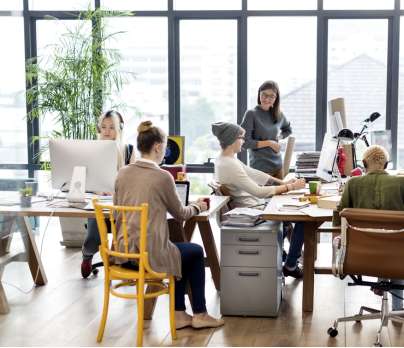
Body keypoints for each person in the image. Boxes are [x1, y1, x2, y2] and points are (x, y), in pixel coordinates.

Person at [111, 120, 224, 330]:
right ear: (157, 148)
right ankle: (200, 313)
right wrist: (197, 207)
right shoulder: (162, 176)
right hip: (149, 256)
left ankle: (180, 314)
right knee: (195, 251)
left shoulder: (122, 173)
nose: (164, 152)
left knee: (176, 249)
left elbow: (117, 211)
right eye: (164, 148)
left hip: (123, 253)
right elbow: (181, 214)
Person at [212, 122, 307, 278]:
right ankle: (290, 265)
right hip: (254, 211)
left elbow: (254, 174)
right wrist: (291, 188)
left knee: (290, 210)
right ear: (232, 140)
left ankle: (280, 252)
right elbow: (259, 192)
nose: (243, 141)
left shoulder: (225, 159)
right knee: (303, 219)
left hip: (255, 205)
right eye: (241, 138)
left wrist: (283, 183)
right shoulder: (230, 164)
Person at [333, 146, 404, 311]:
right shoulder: (403, 182)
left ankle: (381, 281)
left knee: (379, 242)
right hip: (396, 253)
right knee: (398, 246)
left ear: (364, 163)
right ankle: (397, 307)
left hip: (361, 253)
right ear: (385, 165)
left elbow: (337, 217)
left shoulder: (353, 183)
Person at [81, 110, 136, 278]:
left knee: (131, 238)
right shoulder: (92, 149)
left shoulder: (128, 150)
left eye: (111, 127)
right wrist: (94, 189)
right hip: (99, 204)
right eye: (103, 127)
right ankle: (86, 257)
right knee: (93, 241)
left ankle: (129, 266)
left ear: (119, 129)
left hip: (122, 206)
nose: (107, 131)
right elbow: (81, 179)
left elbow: (134, 179)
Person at [240, 80, 292, 180]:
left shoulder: (278, 115)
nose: (267, 99)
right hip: (260, 169)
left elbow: (288, 130)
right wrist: (269, 143)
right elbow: (245, 143)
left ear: (276, 98)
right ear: (259, 94)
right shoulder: (251, 114)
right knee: (264, 195)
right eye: (264, 95)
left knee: (281, 196)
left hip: (278, 167)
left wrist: (277, 138)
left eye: (271, 96)